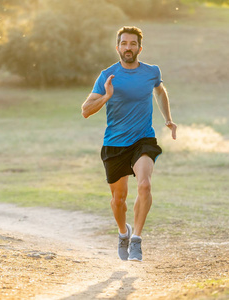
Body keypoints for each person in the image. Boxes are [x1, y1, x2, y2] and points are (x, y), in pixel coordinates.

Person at [81, 26, 177, 262]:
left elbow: (160, 91)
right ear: (118, 47)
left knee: (144, 185)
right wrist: (106, 96)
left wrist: (168, 119)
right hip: (114, 143)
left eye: (133, 44)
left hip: (143, 139)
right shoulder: (107, 75)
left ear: (139, 48)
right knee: (118, 200)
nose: (128, 48)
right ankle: (124, 233)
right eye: (124, 43)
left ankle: (137, 240)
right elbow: (85, 111)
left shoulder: (151, 72)